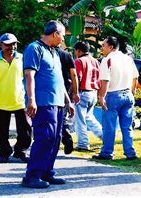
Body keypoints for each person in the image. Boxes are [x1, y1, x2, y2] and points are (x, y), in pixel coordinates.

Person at [21, 21, 74, 189]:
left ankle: (46, 172)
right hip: (43, 102)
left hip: (58, 102)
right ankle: (32, 175)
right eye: (62, 36)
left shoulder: (55, 52)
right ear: (54, 34)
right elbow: (29, 75)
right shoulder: (34, 48)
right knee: (45, 137)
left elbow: (58, 79)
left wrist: (67, 101)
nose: (63, 40)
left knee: (55, 138)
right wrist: (31, 100)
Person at [0, 33, 32, 163]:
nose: (12, 47)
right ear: (1, 45)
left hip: (20, 101)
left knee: (25, 130)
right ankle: (4, 151)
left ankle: (21, 151)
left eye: (14, 44)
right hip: (0, 101)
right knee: (1, 130)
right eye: (8, 44)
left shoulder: (22, 58)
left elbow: (29, 77)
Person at [92, 36, 139, 160]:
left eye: (103, 45)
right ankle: (130, 153)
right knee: (127, 126)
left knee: (109, 127)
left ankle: (107, 153)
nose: (101, 48)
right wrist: (132, 91)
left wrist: (101, 97)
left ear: (111, 47)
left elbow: (105, 80)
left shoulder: (107, 60)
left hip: (113, 95)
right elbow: (135, 77)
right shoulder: (128, 59)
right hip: (128, 93)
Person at [73, 41, 103, 151]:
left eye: (75, 51)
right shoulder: (95, 61)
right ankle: (105, 137)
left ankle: (83, 144)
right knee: (90, 118)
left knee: (80, 120)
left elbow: (77, 78)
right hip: (93, 93)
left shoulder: (79, 61)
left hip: (82, 93)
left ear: (79, 51)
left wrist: (74, 92)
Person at [55, 46, 79, 155]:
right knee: (62, 118)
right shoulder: (66, 55)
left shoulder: (45, 53)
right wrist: (75, 92)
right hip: (65, 90)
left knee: (51, 119)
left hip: (49, 90)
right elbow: (74, 74)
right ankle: (66, 137)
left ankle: (57, 141)